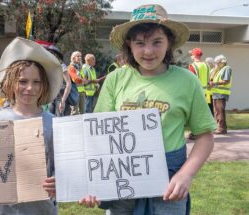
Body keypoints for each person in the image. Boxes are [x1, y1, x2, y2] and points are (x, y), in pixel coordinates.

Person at [78, 4, 216, 215]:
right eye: (140, 43)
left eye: (157, 42)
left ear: (169, 43)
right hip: (122, 182)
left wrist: (185, 175)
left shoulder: (187, 81)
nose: (148, 51)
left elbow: (205, 136)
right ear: (129, 45)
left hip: (170, 185)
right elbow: (98, 135)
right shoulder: (116, 79)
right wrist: (92, 182)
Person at [0, 37, 63, 215]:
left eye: (36, 82)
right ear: (11, 83)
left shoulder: (53, 123)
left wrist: (60, 181)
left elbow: (64, 167)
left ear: (43, 85)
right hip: (4, 211)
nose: (29, 88)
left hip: (42, 209)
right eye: (22, 81)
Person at [36, 41, 72, 116]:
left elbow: (68, 84)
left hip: (59, 96)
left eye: (51, 54)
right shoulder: (46, 67)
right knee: (48, 117)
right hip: (48, 97)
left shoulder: (62, 66)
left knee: (59, 118)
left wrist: (63, 100)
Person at [188, 48, 211, 140]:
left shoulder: (193, 66)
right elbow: (209, 80)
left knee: (195, 114)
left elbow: (191, 80)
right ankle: (205, 132)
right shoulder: (207, 65)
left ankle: (195, 133)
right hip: (206, 92)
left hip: (196, 92)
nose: (191, 56)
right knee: (203, 113)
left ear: (194, 56)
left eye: (191, 54)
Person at [209, 54, 232, 134]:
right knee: (216, 111)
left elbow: (226, 81)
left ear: (222, 62)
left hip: (221, 93)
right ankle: (219, 127)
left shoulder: (226, 68)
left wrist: (214, 83)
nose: (216, 64)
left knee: (220, 111)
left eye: (217, 63)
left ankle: (221, 129)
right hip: (216, 93)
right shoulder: (218, 69)